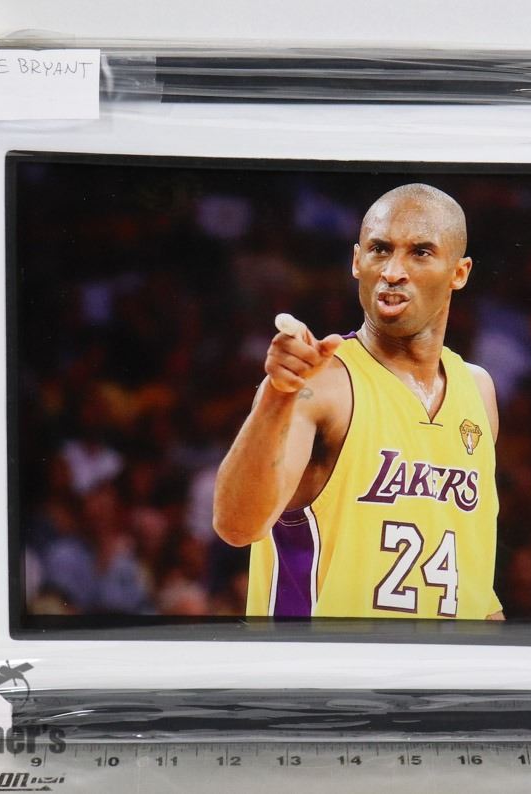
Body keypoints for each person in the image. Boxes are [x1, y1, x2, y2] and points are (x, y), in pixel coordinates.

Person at [213, 183, 503, 620]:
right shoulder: (321, 385)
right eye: (380, 250)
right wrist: (276, 396)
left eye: (420, 252)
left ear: (458, 273)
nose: (393, 271)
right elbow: (236, 526)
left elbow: (476, 584)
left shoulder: (477, 390)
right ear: (356, 261)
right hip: (325, 662)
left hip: (440, 662)